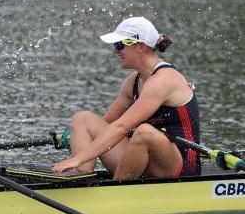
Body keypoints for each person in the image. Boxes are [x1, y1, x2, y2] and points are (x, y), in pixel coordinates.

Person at [52, 16, 199, 179]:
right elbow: (107, 124)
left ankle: (115, 194)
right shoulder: (133, 81)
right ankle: (78, 175)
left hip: (180, 168)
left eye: (120, 45)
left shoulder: (163, 80)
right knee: (83, 119)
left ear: (140, 47)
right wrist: (79, 138)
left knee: (144, 132)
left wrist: (79, 156)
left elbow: (121, 127)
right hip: (143, 160)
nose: (116, 51)